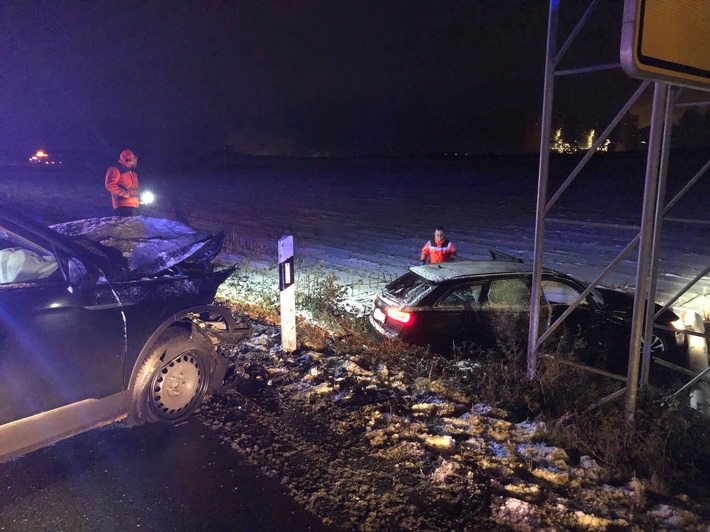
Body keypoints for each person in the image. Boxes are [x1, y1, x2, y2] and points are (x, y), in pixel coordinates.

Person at [105, 149, 140, 217]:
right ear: (128, 159)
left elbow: (132, 189)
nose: (135, 161)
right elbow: (110, 185)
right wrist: (126, 194)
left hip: (133, 205)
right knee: (126, 227)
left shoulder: (131, 172)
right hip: (123, 206)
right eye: (134, 159)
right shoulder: (116, 169)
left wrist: (138, 199)